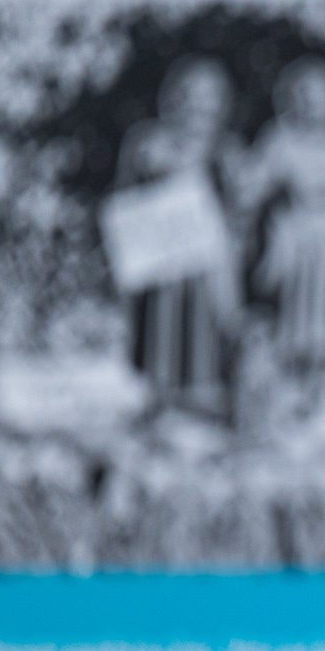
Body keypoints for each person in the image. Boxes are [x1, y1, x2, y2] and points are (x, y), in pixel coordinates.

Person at [112, 58, 243, 414]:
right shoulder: (148, 141)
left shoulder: (225, 149)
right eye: (189, 97)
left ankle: (205, 390)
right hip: (160, 253)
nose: (198, 108)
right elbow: (126, 192)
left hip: (206, 255)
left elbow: (238, 202)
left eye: (209, 99)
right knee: (162, 316)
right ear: (172, 99)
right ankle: (160, 390)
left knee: (204, 316)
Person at [246, 57, 325, 365]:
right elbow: (253, 185)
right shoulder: (281, 140)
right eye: (304, 96)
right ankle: (294, 363)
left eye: (320, 95)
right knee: (296, 309)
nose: (312, 104)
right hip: (295, 239)